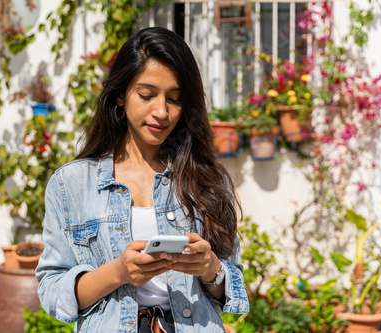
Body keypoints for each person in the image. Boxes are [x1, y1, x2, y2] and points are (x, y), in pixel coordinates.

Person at [36, 27, 249, 333]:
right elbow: (52, 291)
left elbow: (233, 287)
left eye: (174, 99)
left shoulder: (207, 178)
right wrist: (118, 272)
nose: (161, 112)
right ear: (120, 96)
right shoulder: (70, 184)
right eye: (147, 95)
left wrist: (211, 269)